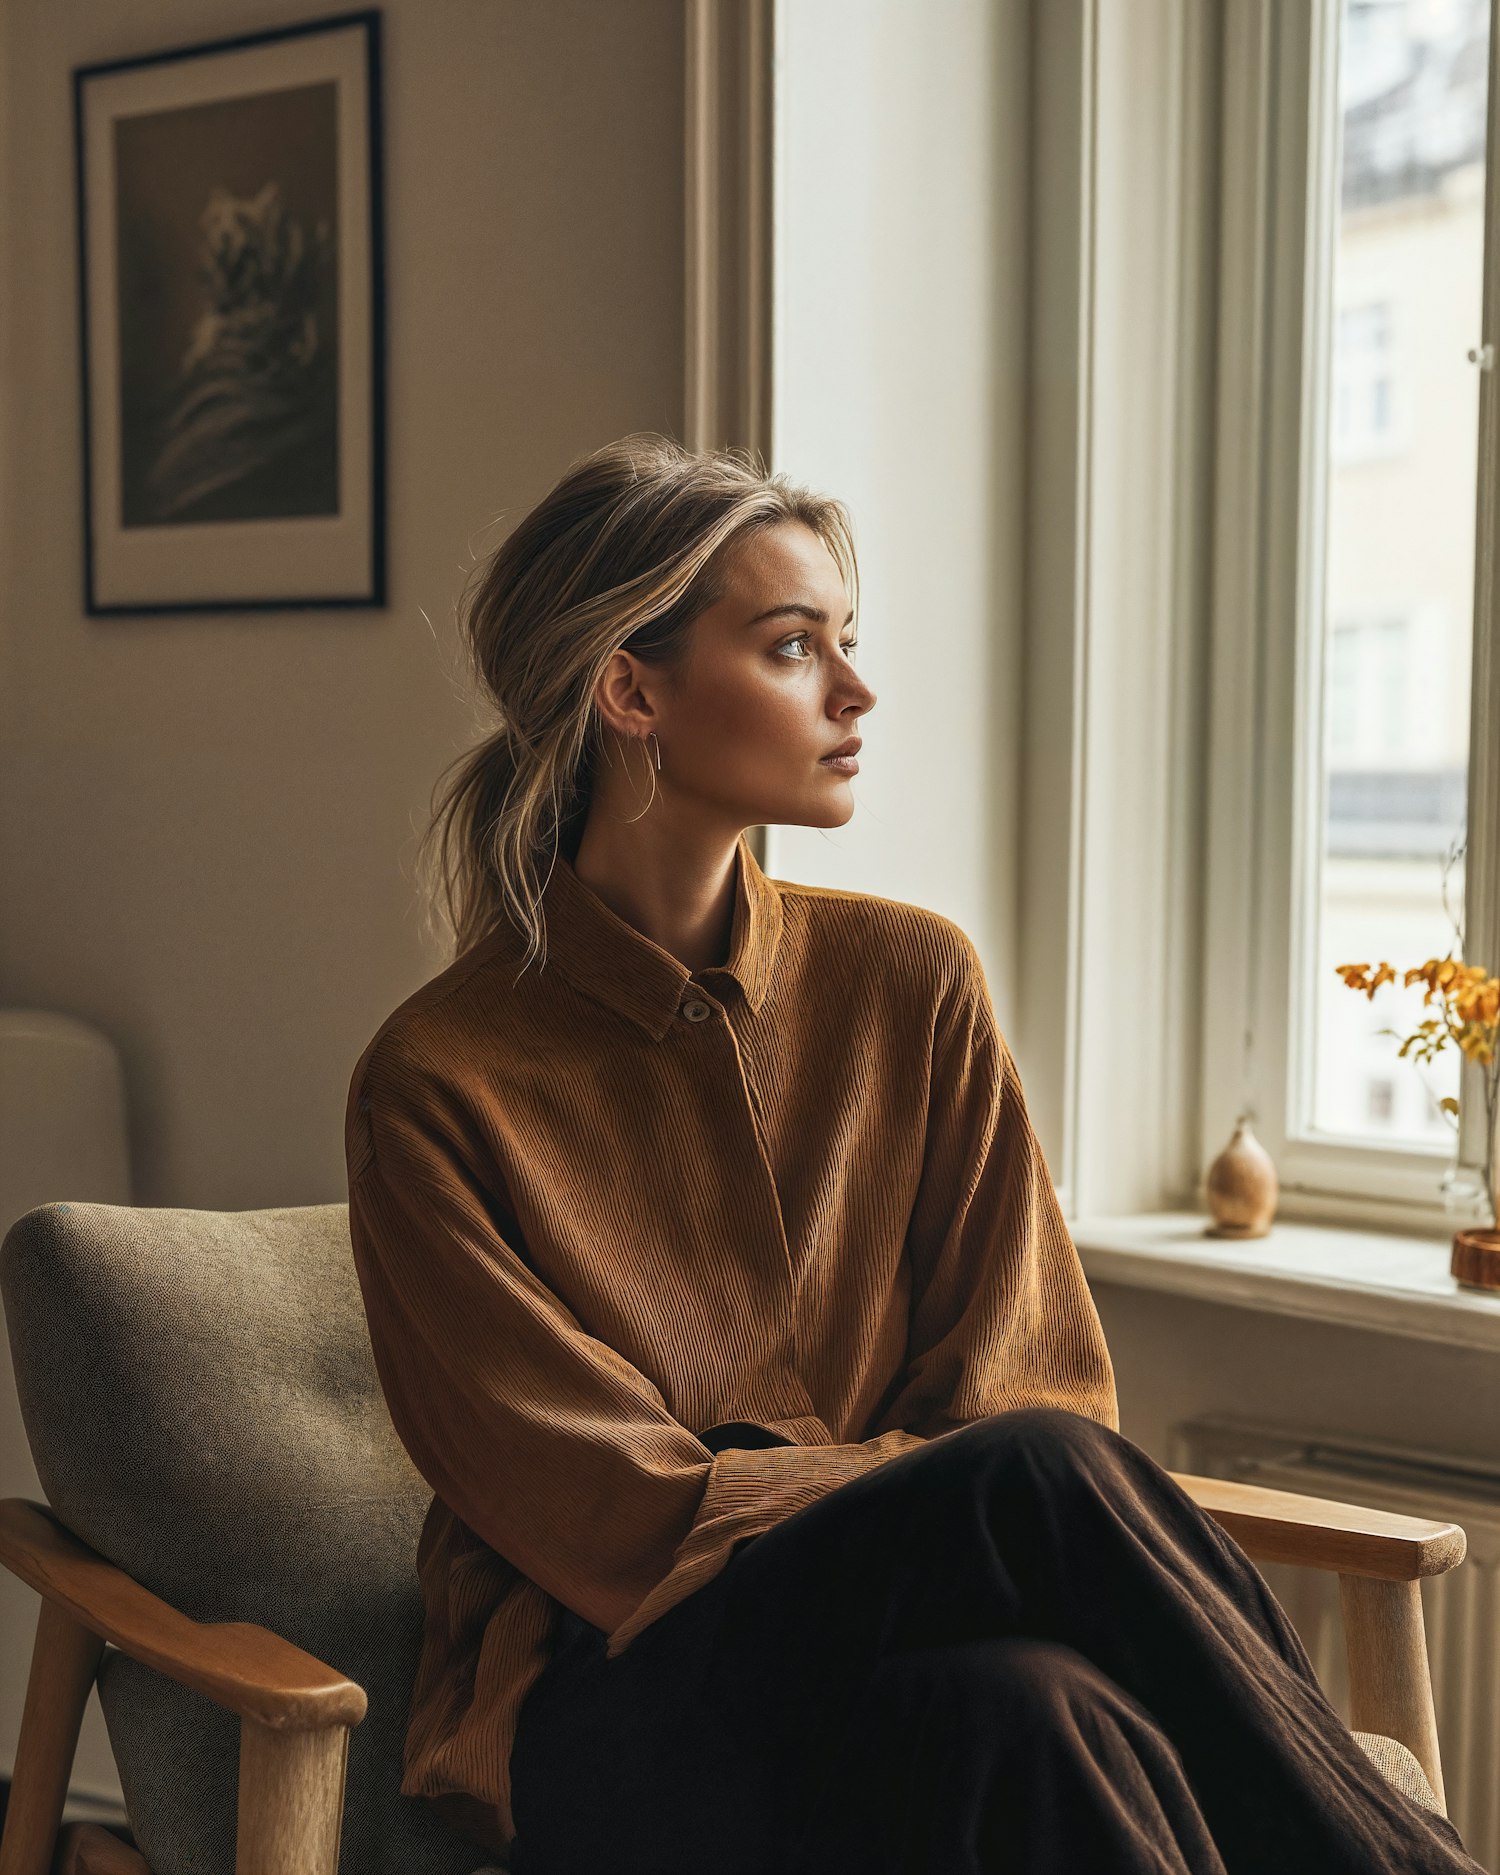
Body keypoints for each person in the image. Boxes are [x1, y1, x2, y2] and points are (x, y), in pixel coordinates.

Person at [344, 433, 1483, 1874]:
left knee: (1035, 1706)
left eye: (847, 642)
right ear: (631, 690)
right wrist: (923, 1487)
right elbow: (612, 1523)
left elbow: (1032, 1379)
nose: (856, 690)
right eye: (793, 647)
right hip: (619, 1714)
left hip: (905, 1672)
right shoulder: (438, 1083)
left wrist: (910, 1497)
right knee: (1042, 1483)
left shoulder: (910, 985)